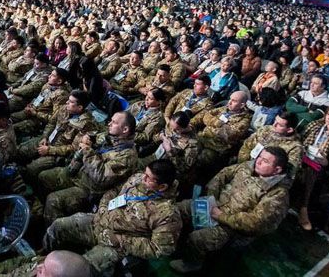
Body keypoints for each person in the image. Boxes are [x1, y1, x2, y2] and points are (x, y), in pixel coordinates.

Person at [44, 160, 182, 275]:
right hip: (98, 221)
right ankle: (46, 261)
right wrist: (104, 206)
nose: (142, 178)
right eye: (145, 173)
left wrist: (122, 240)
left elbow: (159, 249)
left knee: (82, 270)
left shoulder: (168, 214)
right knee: (58, 226)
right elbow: (115, 191)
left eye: (148, 178)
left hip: (116, 246)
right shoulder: (137, 178)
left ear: (162, 187)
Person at [171, 147, 292, 274]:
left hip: (232, 226)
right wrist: (211, 197)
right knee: (179, 209)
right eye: (260, 157)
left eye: (265, 161)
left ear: (277, 169)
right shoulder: (247, 167)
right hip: (215, 204)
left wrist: (222, 216)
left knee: (198, 239)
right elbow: (223, 174)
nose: (258, 161)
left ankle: (192, 263)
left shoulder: (277, 195)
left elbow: (256, 223)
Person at [39, 111, 139, 224]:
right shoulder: (111, 137)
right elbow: (95, 144)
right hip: (80, 174)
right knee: (44, 176)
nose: (109, 124)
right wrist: (88, 141)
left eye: (114, 122)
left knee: (53, 200)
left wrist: (87, 150)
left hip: (89, 189)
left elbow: (101, 177)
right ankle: (43, 213)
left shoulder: (127, 156)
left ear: (125, 130)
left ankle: (54, 229)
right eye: (110, 120)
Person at [190, 90, 252, 175]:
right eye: (230, 99)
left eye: (234, 101)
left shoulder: (244, 120)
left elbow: (227, 134)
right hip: (202, 137)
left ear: (242, 105)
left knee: (199, 160)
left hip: (216, 147)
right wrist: (217, 123)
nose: (229, 102)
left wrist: (211, 124)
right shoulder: (224, 109)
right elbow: (206, 115)